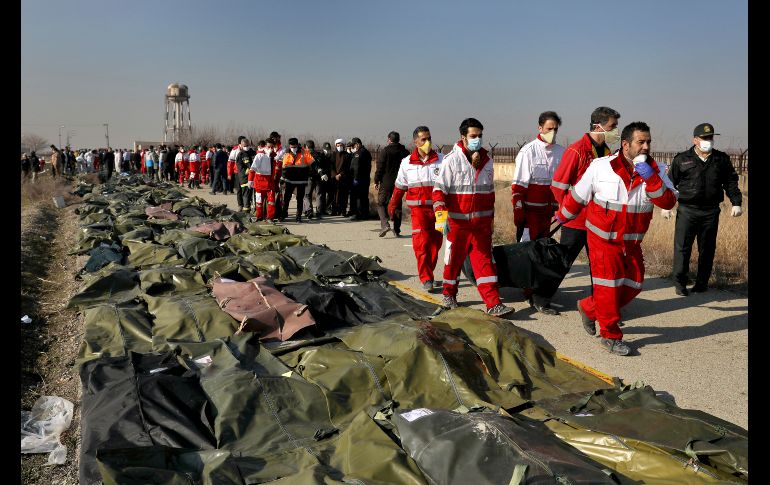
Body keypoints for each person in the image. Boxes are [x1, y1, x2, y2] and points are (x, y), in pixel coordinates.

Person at [556, 121, 677, 356]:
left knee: (633, 285)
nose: (645, 147)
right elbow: (578, 195)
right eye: (640, 142)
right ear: (625, 144)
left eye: (648, 142)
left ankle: (589, 308)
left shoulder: (658, 170)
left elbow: (668, 202)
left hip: (632, 243)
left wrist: (651, 178)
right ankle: (610, 335)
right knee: (608, 286)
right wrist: (562, 217)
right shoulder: (600, 167)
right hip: (603, 240)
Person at [432, 117, 514, 317]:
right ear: (463, 137)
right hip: (457, 225)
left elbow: (490, 193)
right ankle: (449, 295)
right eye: (473, 136)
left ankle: (493, 303)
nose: (477, 139)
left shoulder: (487, 161)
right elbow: (438, 191)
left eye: (480, 135)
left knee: (485, 263)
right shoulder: (452, 160)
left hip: (481, 226)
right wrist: (441, 217)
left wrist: (492, 221)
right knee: (453, 262)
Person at [665, 123, 743, 295]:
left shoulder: (721, 159)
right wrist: (667, 206)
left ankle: (702, 283)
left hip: (710, 211)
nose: (709, 141)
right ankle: (680, 283)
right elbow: (670, 184)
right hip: (687, 210)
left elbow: (730, 182)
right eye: (704, 138)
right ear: (695, 140)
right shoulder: (682, 159)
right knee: (682, 248)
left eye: (711, 138)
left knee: (707, 249)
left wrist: (736, 202)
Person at [551, 107, 621, 276]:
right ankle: (541, 298)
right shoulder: (577, 150)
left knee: (599, 263)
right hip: (576, 220)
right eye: (613, 126)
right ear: (598, 127)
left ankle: (598, 299)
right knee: (564, 261)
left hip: (598, 220)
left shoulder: (607, 152)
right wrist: (569, 210)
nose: (616, 131)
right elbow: (558, 186)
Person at [511, 111, 565, 314]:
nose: (552, 132)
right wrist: (519, 212)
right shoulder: (528, 152)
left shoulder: (561, 152)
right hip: (530, 215)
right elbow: (518, 187)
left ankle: (539, 290)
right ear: (540, 128)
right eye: (549, 128)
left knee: (544, 253)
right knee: (528, 253)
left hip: (549, 214)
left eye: (555, 129)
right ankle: (527, 290)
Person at [388, 126, 444, 291]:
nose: (427, 142)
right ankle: (426, 277)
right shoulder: (407, 163)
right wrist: (392, 205)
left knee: (436, 244)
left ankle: (429, 273)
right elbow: (399, 187)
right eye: (423, 139)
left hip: (440, 210)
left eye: (429, 138)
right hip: (419, 211)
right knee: (422, 244)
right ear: (416, 142)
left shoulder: (442, 160)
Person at [375, 131, 410, 237]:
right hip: (400, 183)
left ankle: (385, 224)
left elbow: (380, 167)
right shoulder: (405, 152)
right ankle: (397, 230)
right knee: (397, 206)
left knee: (381, 204)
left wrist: (376, 180)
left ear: (389, 139)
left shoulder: (385, 151)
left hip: (386, 182)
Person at [279, 138, 313, 222]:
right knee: (286, 198)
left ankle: (298, 217)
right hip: (290, 180)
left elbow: (312, 163)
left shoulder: (304, 153)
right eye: (291, 146)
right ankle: (283, 215)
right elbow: (284, 168)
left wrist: (318, 172)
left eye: (294, 146)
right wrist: (282, 179)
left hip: (301, 180)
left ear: (297, 145)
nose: (293, 148)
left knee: (300, 199)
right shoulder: (287, 154)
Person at [248, 139, 277, 221]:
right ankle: (259, 216)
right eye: (269, 147)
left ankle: (270, 218)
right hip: (259, 182)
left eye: (272, 147)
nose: (270, 148)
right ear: (265, 146)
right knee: (259, 201)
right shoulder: (259, 155)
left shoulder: (273, 156)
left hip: (270, 182)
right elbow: (252, 168)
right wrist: (250, 180)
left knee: (271, 201)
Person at [348, 137, 372, 220]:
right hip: (365, 178)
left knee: (357, 197)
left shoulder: (359, 153)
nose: (352, 148)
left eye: (353, 146)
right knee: (364, 197)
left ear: (357, 144)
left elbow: (356, 167)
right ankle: (365, 214)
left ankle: (358, 214)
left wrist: (356, 178)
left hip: (358, 179)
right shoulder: (366, 152)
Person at [308, 141, 333, 219]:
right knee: (319, 195)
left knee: (312, 195)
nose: (327, 150)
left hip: (319, 177)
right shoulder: (319, 155)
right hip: (320, 177)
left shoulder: (306, 155)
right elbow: (319, 167)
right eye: (326, 149)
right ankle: (318, 211)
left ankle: (312, 211)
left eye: (328, 149)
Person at [330, 138, 351, 216]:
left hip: (344, 178)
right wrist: (335, 175)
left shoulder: (347, 155)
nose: (339, 146)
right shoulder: (333, 155)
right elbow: (331, 166)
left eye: (341, 145)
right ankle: (334, 211)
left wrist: (340, 174)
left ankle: (343, 211)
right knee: (334, 195)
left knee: (343, 195)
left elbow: (348, 167)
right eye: (338, 145)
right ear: (336, 146)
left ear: (344, 146)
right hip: (334, 178)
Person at [234, 138, 256, 211]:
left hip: (254, 177)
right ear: (241, 145)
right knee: (246, 194)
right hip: (244, 177)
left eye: (247, 145)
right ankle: (246, 210)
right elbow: (240, 167)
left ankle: (254, 209)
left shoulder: (253, 153)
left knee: (254, 195)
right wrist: (248, 170)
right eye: (244, 145)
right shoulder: (240, 154)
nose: (246, 146)